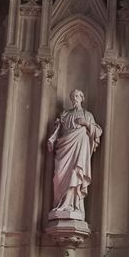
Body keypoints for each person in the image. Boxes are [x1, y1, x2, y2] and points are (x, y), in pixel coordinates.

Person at [47, 89, 102, 220]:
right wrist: (54, 133)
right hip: (65, 149)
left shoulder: (87, 114)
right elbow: (58, 131)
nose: (75, 98)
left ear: (82, 98)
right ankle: (60, 204)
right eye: (73, 96)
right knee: (59, 175)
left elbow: (98, 131)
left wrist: (86, 124)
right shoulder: (65, 114)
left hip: (79, 152)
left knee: (75, 174)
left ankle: (74, 205)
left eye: (77, 96)